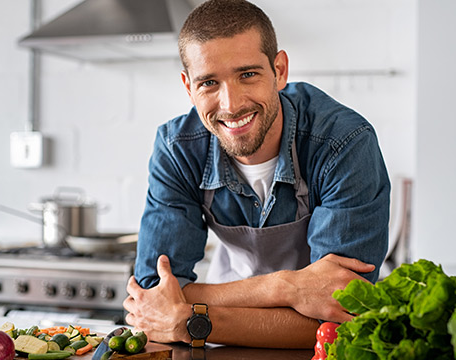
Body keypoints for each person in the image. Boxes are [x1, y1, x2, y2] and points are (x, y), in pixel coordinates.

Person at [123, 0, 390, 349]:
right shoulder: (179, 149)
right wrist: (285, 287)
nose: (231, 105)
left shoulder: (343, 143)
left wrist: (193, 320)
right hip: (221, 344)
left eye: (247, 74)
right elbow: (155, 296)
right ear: (189, 87)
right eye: (209, 83)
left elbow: (339, 315)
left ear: (279, 70)